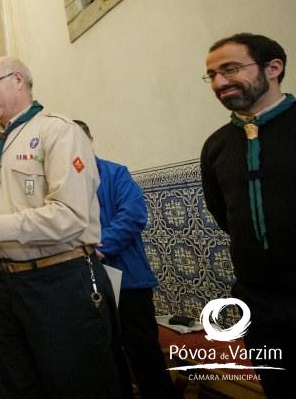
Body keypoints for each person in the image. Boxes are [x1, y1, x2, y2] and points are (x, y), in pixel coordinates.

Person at [0, 56, 124, 398]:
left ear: (18, 79)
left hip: (59, 282)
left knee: (73, 384)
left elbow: (69, 216)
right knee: (18, 385)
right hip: (8, 284)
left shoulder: (59, 131)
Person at [200, 33, 296, 398]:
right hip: (261, 308)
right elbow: (226, 216)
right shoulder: (216, 146)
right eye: (212, 75)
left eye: (230, 69)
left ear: (273, 68)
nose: (220, 82)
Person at [74, 120, 180, 399]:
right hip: (89, 286)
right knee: (106, 358)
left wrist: (99, 245)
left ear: (90, 139)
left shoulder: (114, 173)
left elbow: (133, 215)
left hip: (129, 281)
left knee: (144, 354)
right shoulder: (63, 185)